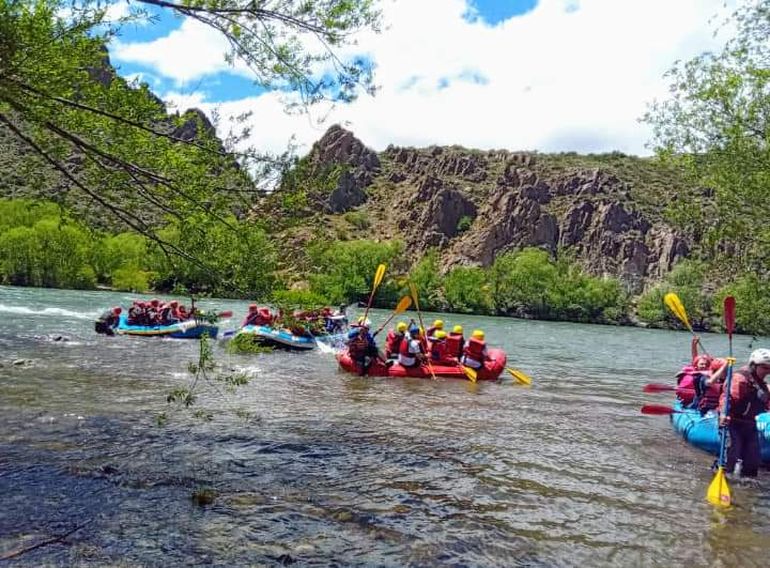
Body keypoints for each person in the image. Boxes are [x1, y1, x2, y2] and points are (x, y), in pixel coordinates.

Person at [718, 348, 770, 478]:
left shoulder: (762, 383)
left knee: (753, 459)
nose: (768, 371)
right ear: (754, 365)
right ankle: (722, 476)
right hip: (732, 422)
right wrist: (724, 413)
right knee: (732, 452)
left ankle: (748, 487)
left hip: (750, 424)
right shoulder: (740, 379)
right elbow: (727, 397)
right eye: (765, 367)